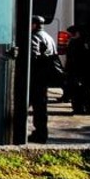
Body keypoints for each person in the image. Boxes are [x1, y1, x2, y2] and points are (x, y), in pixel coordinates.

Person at [29, 15, 57, 143]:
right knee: (41, 107)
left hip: (35, 78)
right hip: (44, 78)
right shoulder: (48, 37)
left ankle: (38, 133)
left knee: (31, 106)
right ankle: (42, 132)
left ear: (34, 25)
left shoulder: (34, 37)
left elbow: (33, 57)